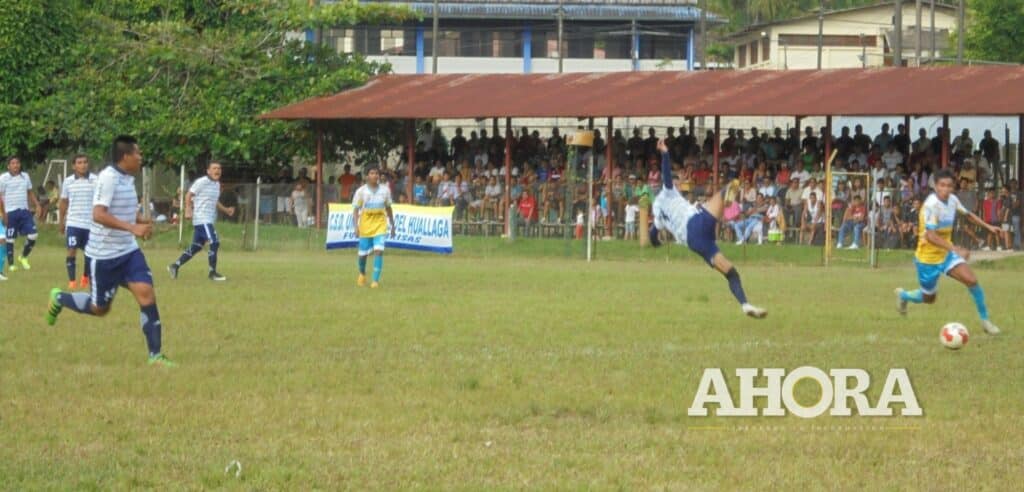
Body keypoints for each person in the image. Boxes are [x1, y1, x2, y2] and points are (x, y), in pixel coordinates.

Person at [46, 135, 176, 366]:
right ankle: (59, 298)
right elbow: (98, 214)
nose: (140, 157)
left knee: (146, 293)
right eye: (137, 153)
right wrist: (132, 227)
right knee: (100, 309)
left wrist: (142, 221)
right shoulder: (108, 178)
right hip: (104, 256)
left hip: (128, 252)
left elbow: (124, 209)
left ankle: (155, 355)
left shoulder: (127, 178)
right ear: (125, 156)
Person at [648, 139, 767, 319]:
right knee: (731, 186)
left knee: (730, 273)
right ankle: (728, 207)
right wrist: (664, 152)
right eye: (677, 181)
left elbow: (653, 236)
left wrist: (657, 243)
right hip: (697, 222)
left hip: (696, 242)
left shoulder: (658, 214)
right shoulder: (668, 191)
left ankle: (746, 305)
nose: (678, 183)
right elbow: (666, 174)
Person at [895, 169, 1002, 336]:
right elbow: (930, 236)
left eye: (949, 186)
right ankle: (904, 296)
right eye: (942, 185)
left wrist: (988, 227)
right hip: (928, 258)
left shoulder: (952, 200)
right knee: (929, 298)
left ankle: (986, 322)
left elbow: (968, 215)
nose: (945, 189)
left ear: (953, 187)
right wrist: (956, 248)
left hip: (946, 254)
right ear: (935, 186)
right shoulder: (931, 205)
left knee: (972, 280)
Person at [168, 161, 235, 281]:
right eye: (214, 168)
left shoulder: (217, 185)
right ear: (208, 171)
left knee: (196, 247)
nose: (217, 170)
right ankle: (212, 273)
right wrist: (188, 209)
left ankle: (175, 265)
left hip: (208, 220)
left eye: (219, 168)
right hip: (202, 218)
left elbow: (214, 202)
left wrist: (226, 210)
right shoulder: (202, 181)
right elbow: (188, 195)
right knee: (214, 242)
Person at [58, 155, 97, 289]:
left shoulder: (95, 180)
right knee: (71, 250)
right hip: (74, 222)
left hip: (91, 224)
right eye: (79, 163)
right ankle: (72, 281)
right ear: (74, 166)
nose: (83, 165)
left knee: (90, 252)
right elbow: (64, 202)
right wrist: (61, 221)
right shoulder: (68, 181)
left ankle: (85, 277)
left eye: (85, 162)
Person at [352, 167, 395, 288]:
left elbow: (388, 208)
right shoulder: (361, 191)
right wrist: (356, 226)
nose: (375, 175)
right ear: (367, 176)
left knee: (378, 251)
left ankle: (375, 281)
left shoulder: (385, 191)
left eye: (376, 173)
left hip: (380, 224)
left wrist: (392, 225)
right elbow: (355, 210)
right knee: (363, 255)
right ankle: (362, 273)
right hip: (365, 225)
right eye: (372, 173)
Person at [0, 156, 41, 271]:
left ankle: (23, 257)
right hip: (10, 212)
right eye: (13, 163)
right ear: (8, 166)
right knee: (10, 238)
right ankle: (12, 264)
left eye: (17, 163)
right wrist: (3, 213)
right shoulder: (3, 178)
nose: (16, 165)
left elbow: (30, 192)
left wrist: (37, 205)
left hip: (24, 211)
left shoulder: (25, 176)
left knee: (33, 234)